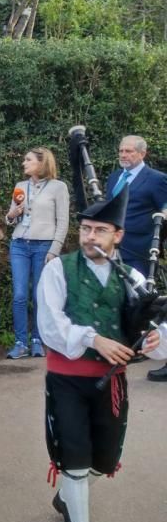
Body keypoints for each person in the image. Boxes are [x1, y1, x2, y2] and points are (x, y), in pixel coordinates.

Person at [36, 184, 167, 522]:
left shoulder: (133, 277)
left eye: (100, 230)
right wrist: (94, 339)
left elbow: (154, 328)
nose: (91, 236)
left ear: (118, 235)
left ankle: (66, 496)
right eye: (86, 229)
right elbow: (50, 325)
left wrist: (153, 341)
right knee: (74, 459)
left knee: (103, 462)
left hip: (112, 386)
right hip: (66, 380)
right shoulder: (58, 270)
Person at [100, 136, 167, 382]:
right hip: (113, 247)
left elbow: (165, 208)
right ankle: (126, 343)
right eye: (121, 150)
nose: (124, 154)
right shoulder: (114, 177)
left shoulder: (157, 179)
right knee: (117, 296)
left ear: (142, 154)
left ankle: (148, 345)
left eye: (129, 151)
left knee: (142, 299)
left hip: (140, 248)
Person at [4, 147, 70, 359]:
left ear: (42, 164)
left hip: (44, 246)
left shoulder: (58, 187)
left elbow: (63, 221)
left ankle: (37, 341)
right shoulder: (20, 186)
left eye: (28, 160)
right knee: (20, 295)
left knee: (39, 295)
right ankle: (20, 342)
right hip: (19, 245)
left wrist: (54, 249)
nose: (24, 163)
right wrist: (12, 214)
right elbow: (10, 218)